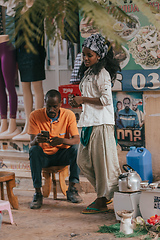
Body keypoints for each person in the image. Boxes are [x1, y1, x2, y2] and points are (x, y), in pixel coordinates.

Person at [69, 33, 122, 214]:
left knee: (102, 164)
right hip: (89, 122)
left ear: (99, 56)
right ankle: (105, 194)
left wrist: (82, 98)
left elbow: (106, 100)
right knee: (83, 161)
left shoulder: (102, 73)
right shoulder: (89, 72)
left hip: (101, 123)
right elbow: (89, 98)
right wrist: (77, 101)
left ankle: (101, 199)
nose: (85, 58)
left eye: (89, 55)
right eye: (84, 55)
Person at [28, 89, 82, 209]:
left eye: (55, 106)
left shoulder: (68, 115)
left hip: (62, 155)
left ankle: (72, 189)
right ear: (44, 103)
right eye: (49, 106)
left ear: (61, 104)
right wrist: (36, 140)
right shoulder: (35, 115)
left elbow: (76, 140)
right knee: (33, 150)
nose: (51, 110)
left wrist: (62, 140)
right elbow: (32, 143)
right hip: (44, 157)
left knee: (76, 149)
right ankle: (37, 193)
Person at [12, 0, 46, 141]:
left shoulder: (39, 6)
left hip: (35, 50)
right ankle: (27, 122)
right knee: (24, 86)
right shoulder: (19, 8)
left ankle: (36, 123)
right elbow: (16, 32)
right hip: (21, 51)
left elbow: (39, 31)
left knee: (36, 87)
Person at [0, 2, 20, 139]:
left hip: (6, 46)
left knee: (10, 87)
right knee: (0, 89)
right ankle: (3, 122)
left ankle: (12, 121)